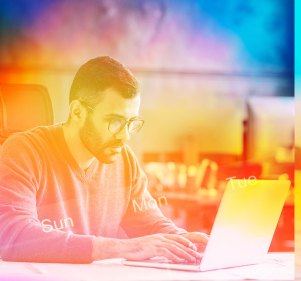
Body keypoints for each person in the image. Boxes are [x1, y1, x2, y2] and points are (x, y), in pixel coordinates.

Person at [0, 56, 208, 263]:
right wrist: (119, 248)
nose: (124, 136)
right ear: (77, 111)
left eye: (130, 123)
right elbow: (11, 236)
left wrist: (183, 241)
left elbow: (149, 222)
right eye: (114, 122)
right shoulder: (23, 152)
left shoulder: (124, 160)